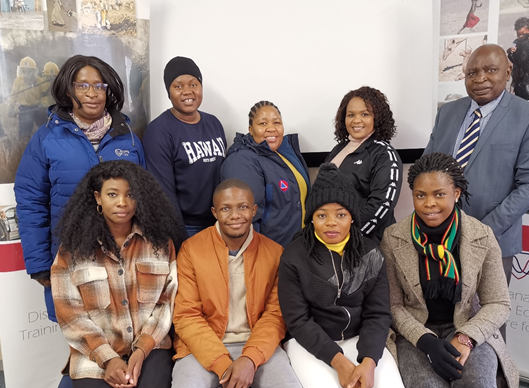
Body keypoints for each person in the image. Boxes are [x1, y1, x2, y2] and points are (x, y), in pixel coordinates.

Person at [14, 54, 145, 324]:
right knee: (83, 342)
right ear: (68, 89)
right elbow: (31, 201)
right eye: (82, 86)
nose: (93, 93)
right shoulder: (47, 138)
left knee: (126, 334)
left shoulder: (128, 138)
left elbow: (145, 197)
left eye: (99, 86)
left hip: (124, 256)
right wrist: (39, 263)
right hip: (71, 256)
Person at [381, 153, 518, 388]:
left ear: (456, 194)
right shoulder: (393, 238)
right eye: (420, 195)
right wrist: (425, 341)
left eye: (439, 194)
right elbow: (392, 305)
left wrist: (466, 338)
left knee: (479, 386)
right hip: (415, 333)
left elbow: (498, 302)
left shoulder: (482, 235)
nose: (429, 203)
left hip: (468, 326)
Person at [424, 44, 529, 284]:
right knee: (438, 316)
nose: (480, 79)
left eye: (490, 70)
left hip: (492, 241)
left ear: (508, 70)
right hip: (437, 239)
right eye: (472, 73)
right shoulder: (447, 112)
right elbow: (426, 170)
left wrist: (479, 233)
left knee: (487, 319)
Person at [51, 160, 180, 388]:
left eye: (130, 195)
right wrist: (108, 359)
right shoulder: (71, 251)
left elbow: (165, 304)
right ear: (98, 198)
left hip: (150, 347)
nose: (122, 203)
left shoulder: (161, 244)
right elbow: (70, 314)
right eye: (112, 194)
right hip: (93, 354)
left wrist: (141, 351)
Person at [279, 163, 404, 388]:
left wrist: (368, 361)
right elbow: (298, 320)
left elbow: (378, 314)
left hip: (362, 340)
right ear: (311, 218)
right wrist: (339, 362)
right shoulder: (294, 256)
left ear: (352, 217)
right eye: (321, 215)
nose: (331, 222)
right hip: (310, 344)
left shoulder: (370, 253)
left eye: (341, 214)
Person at [171, 179, 302, 388]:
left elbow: (276, 315)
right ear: (214, 212)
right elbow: (186, 316)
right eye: (225, 209)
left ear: (254, 210)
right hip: (203, 345)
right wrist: (224, 365)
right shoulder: (191, 250)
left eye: (242, 207)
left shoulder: (275, 253)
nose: (235, 216)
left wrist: (249, 359)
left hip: (258, 345)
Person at [144, 56, 226, 240]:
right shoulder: (159, 131)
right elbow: (163, 193)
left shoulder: (214, 123)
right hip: (186, 227)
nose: (187, 92)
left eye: (193, 84)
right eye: (178, 86)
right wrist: (179, 238)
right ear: (168, 91)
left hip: (219, 223)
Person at [221, 101, 309, 248]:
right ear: (251, 129)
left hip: (295, 249)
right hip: (269, 252)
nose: (271, 128)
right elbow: (245, 219)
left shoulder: (284, 154)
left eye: (277, 122)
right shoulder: (242, 161)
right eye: (262, 124)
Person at [325, 86, 402, 243]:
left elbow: (381, 205)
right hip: (333, 240)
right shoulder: (338, 150)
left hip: (367, 244)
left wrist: (350, 236)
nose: (356, 120)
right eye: (351, 115)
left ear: (377, 118)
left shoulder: (384, 154)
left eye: (365, 114)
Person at [8, 56, 47, 139]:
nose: (27, 74)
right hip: (24, 109)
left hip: (38, 108)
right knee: (24, 135)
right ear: (21, 71)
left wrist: (44, 104)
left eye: (29, 71)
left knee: (45, 131)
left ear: (34, 71)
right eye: (24, 71)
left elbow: (45, 94)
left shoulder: (40, 81)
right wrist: (11, 108)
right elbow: (13, 95)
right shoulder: (18, 81)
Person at [507, 17, 529, 94]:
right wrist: (510, 50)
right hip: (517, 66)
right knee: (514, 81)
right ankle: (511, 94)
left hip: (527, 67)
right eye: (518, 34)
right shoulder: (516, 42)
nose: (521, 36)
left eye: (523, 34)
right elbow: (509, 51)